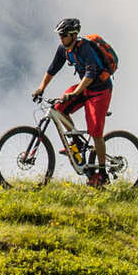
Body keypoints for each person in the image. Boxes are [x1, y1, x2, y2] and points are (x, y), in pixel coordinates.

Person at [30, 16, 113, 183]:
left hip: (100, 90)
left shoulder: (85, 48)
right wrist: (41, 88)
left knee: (96, 133)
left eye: (64, 35)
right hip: (84, 87)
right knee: (59, 108)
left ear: (74, 35)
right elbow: (52, 69)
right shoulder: (64, 49)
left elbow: (91, 73)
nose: (61, 38)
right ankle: (77, 143)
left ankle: (102, 173)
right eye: (60, 35)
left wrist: (75, 92)